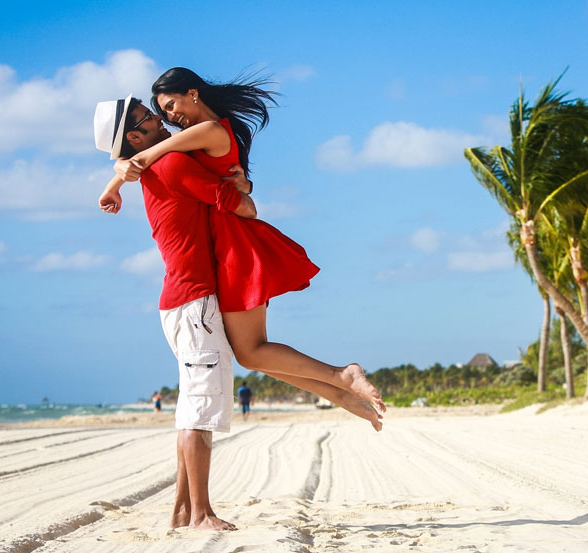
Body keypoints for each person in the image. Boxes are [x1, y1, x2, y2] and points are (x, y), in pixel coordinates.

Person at [101, 68, 385, 429]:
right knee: (251, 353)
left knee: (251, 351)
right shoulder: (196, 135)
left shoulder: (208, 130)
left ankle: (343, 378)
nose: (168, 117)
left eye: (170, 106)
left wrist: (117, 178)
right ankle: (340, 390)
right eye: (160, 111)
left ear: (193, 94)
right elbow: (154, 158)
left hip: (235, 243)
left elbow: (151, 157)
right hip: (226, 246)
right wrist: (120, 171)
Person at [95, 95, 256, 531]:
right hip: (195, 301)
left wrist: (114, 180)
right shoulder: (174, 165)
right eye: (150, 117)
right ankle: (201, 513)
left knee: (192, 409)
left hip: (182, 302)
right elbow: (246, 208)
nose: (163, 120)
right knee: (199, 412)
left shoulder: (155, 167)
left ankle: (184, 511)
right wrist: (241, 188)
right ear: (134, 136)